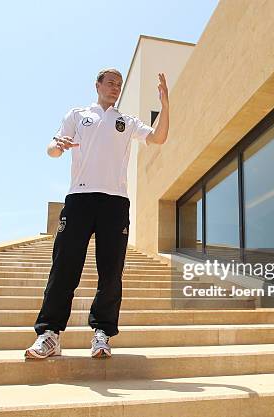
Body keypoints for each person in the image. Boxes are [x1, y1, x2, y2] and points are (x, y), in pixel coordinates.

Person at [24, 68, 170, 359]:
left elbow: (159, 138)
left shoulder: (126, 121)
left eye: (119, 84)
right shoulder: (78, 115)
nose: (115, 87)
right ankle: (49, 334)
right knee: (65, 266)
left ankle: (102, 334)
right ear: (98, 85)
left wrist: (165, 105)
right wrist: (58, 146)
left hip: (115, 203)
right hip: (79, 199)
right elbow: (52, 149)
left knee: (111, 271)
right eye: (110, 82)